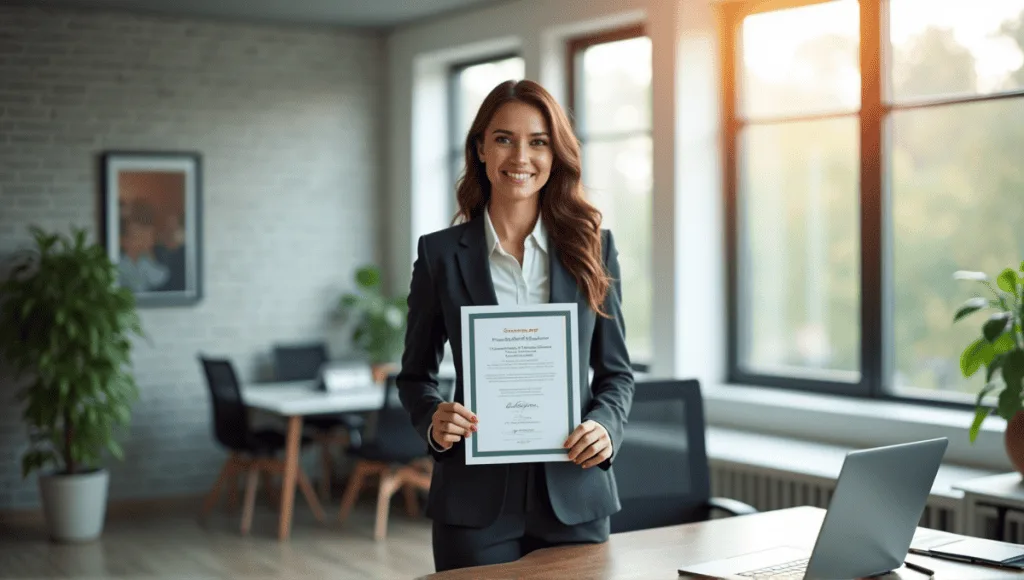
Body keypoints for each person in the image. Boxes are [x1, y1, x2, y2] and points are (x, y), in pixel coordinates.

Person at [396, 79, 635, 572]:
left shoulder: (593, 247)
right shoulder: (439, 254)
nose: (520, 156)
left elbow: (616, 373)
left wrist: (606, 428)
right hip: (474, 503)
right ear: (481, 148)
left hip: (574, 493)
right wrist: (434, 421)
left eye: (538, 141)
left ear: (555, 154)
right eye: (504, 138)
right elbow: (415, 375)